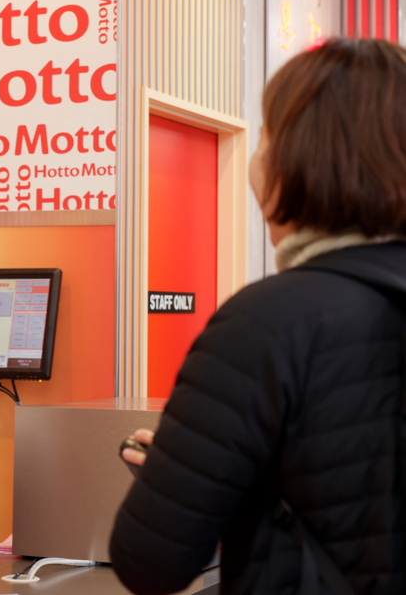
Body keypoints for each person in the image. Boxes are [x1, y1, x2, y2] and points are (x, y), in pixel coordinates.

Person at [110, 38, 406, 594]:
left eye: (266, 133)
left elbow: (150, 560)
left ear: (297, 163)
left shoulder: (265, 323)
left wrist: (187, 480)